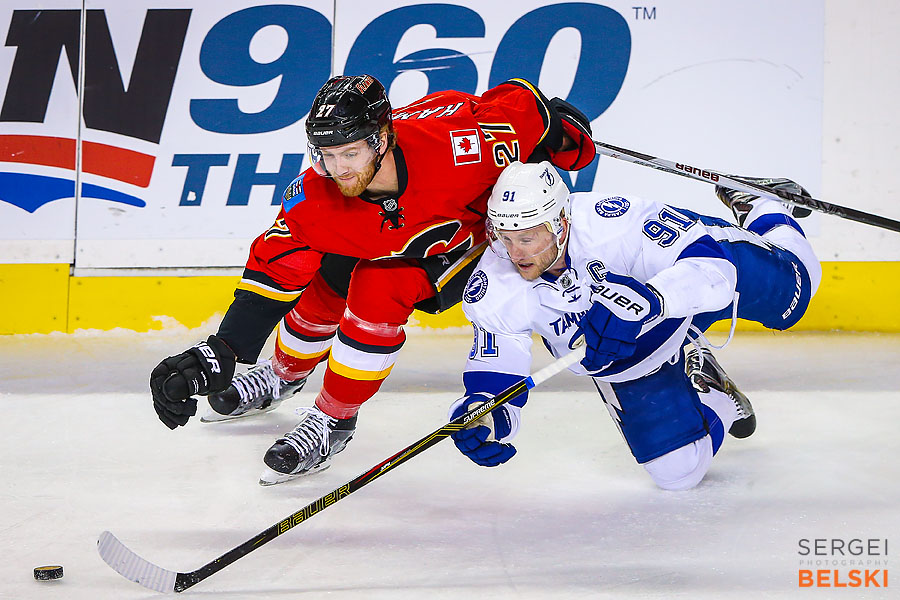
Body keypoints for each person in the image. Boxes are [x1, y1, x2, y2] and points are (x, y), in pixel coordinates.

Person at [149, 75, 596, 485]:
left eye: (351, 153)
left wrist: (564, 138)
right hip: (399, 232)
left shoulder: (463, 147)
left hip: (465, 243)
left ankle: (334, 418)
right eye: (326, 155)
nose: (339, 169)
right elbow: (275, 270)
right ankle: (284, 375)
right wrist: (223, 348)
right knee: (328, 279)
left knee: (376, 288)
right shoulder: (315, 198)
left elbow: (522, 105)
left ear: (382, 139)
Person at [449, 160, 821, 490]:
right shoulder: (493, 282)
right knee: (678, 473)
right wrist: (487, 417)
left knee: (795, 296)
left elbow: (713, 267)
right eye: (505, 236)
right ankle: (713, 390)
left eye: (527, 238)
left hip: (683, 288)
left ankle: (760, 205)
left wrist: (650, 301)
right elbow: (497, 372)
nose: (514, 253)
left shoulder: (613, 221)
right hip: (635, 354)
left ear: (560, 222)